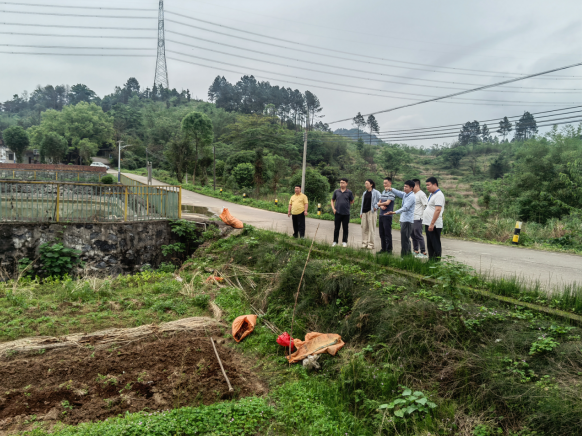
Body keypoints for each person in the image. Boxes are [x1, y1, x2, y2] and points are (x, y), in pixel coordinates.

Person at [383, 180, 416, 256]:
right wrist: (391, 189)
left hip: (407, 221)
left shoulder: (411, 197)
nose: (404, 188)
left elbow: (405, 208)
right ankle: (408, 255)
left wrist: (394, 212)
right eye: (404, 186)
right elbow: (398, 193)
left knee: (405, 240)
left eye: (406, 187)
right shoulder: (405, 194)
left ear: (411, 188)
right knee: (405, 239)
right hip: (404, 220)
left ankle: (404, 256)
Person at [423, 177, 445, 261]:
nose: (427, 187)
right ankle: (431, 261)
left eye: (428, 185)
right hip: (429, 223)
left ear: (435, 184)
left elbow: (438, 210)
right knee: (430, 244)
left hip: (434, 224)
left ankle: (436, 262)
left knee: (435, 243)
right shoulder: (432, 194)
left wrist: (432, 223)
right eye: (426, 185)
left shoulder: (439, 195)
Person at [331, 178, 355, 247]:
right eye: (341, 182)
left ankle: (344, 242)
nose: (341, 184)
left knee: (345, 228)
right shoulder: (336, 191)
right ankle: (335, 241)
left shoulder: (349, 192)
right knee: (336, 228)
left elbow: (352, 201)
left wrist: (346, 204)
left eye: (343, 182)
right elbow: (332, 200)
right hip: (337, 212)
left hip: (346, 213)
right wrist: (333, 208)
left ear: (346, 184)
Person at [359, 179, 381, 249]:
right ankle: (364, 243)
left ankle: (370, 244)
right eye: (365, 183)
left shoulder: (376, 192)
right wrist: (361, 212)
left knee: (371, 228)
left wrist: (376, 207)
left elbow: (381, 200)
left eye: (367, 183)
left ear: (371, 184)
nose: (365, 185)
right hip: (364, 212)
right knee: (364, 228)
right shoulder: (364, 193)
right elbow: (362, 203)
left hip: (371, 212)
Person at [377, 177, 396, 254]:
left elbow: (387, 203)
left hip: (387, 215)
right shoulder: (383, 192)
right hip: (381, 214)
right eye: (384, 183)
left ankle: (389, 250)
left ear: (390, 183)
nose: (384, 184)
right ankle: (383, 248)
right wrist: (381, 205)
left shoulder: (392, 193)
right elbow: (380, 202)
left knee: (387, 233)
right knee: (381, 233)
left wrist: (379, 204)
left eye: (386, 183)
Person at [412, 178, 428, 258]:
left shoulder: (421, 194)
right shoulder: (413, 194)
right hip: (412, 217)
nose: (411, 187)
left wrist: (423, 216)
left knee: (418, 234)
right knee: (413, 234)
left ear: (417, 185)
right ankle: (415, 250)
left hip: (418, 217)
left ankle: (423, 252)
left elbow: (426, 205)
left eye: (413, 186)